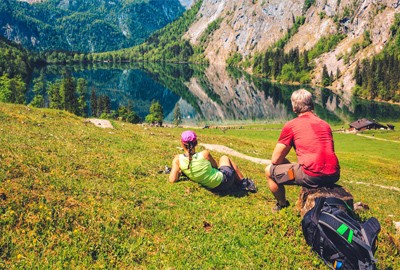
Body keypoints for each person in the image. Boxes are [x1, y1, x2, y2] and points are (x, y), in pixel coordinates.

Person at [265, 89, 340, 211]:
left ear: (294, 107)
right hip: (334, 174)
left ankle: (282, 204)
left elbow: (275, 159)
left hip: (311, 176)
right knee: (289, 165)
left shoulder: (291, 125)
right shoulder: (325, 124)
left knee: (269, 171)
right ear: (312, 105)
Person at [169, 130, 257, 193]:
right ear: (196, 143)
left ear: (181, 143)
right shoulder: (204, 154)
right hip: (224, 181)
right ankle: (244, 183)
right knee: (224, 157)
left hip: (212, 188)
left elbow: (172, 180)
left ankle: (241, 182)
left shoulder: (178, 160)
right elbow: (215, 166)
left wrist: (179, 171)